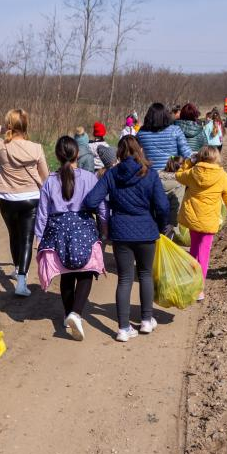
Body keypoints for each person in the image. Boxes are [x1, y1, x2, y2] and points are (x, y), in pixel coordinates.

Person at [83, 135, 169, 342]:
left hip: (121, 232)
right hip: (146, 230)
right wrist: (161, 225)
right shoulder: (149, 173)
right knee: (145, 274)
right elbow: (163, 206)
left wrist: (107, 213)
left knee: (125, 279)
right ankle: (146, 320)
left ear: (119, 153)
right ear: (139, 150)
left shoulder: (112, 174)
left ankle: (123, 328)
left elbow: (91, 201)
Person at [35, 136, 108, 340]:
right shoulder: (89, 178)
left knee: (66, 274)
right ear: (78, 154)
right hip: (84, 228)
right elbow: (102, 206)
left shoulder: (50, 181)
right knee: (86, 272)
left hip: (58, 231)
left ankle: (68, 314)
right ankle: (76, 313)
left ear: (58, 156)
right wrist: (104, 228)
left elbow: (42, 213)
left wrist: (38, 237)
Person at [0, 109, 49, 297]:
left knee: (14, 235)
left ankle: (17, 267)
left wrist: (5, 129)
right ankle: (21, 281)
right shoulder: (36, 148)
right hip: (31, 198)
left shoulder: (2, 146)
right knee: (27, 239)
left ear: (10, 125)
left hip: (8, 199)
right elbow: (45, 176)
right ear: (26, 126)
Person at [176, 146, 227, 300]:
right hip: (209, 221)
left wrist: (188, 161)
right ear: (217, 158)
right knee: (204, 253)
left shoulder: (192, 173)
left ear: (199, 157)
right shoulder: (223, 177)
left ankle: (191, 281)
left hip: (193, 218)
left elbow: (178, 176)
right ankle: (199, 289)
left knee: (194, 249)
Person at [135, 102, 193, 171]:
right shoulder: (175, 130)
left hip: (151, 173)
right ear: (166, 116)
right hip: (171, 171)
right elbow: (187, 153)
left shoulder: (141, 133)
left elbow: (135, 154)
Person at [159, 156, 186, 234]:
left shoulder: (156, 176)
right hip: (170, 221)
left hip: (154, 218)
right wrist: (172, 223)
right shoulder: (180, 182)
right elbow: (176, 203)